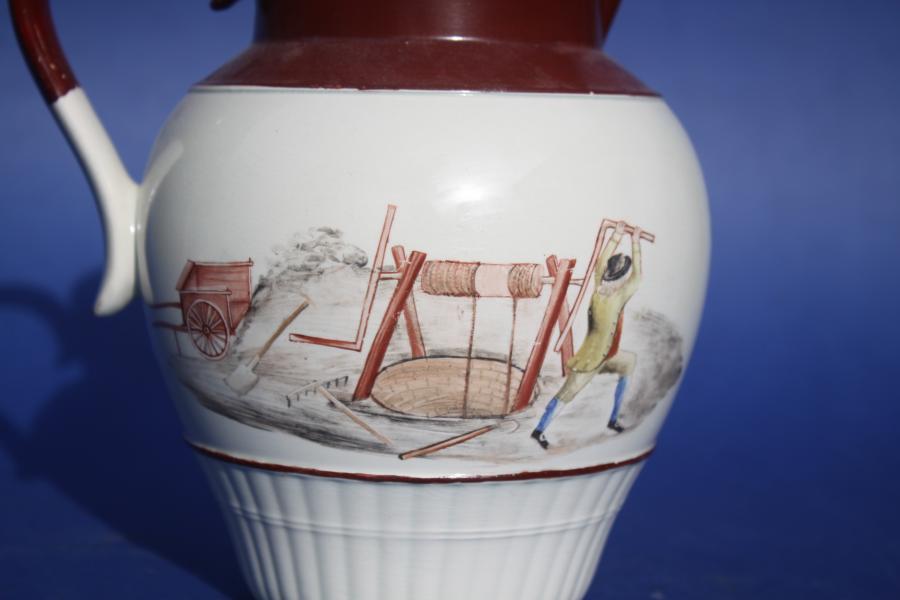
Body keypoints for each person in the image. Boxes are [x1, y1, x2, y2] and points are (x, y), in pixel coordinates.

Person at [531, 221, 643, 449]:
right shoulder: (613, 296)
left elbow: (602, 264)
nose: (624, 281)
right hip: (590, 360)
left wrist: (617, 236)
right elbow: (637, 277)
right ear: (618, 279)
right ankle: (539, 430)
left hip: (608, 355)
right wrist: (634, 242)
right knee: (568, 393)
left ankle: (613, 419)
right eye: (622, 277)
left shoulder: (600, 287)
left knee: (629, 362)